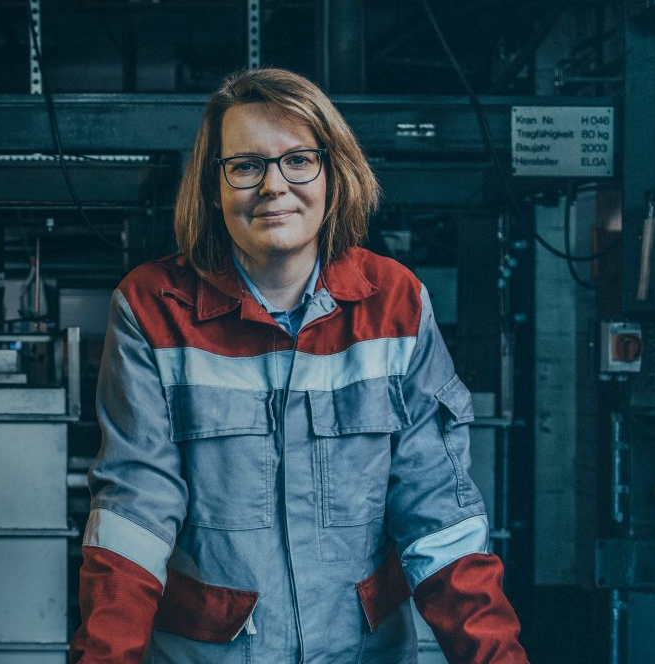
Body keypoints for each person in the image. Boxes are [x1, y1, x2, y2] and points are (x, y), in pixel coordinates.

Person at [69, 68, 529, 663]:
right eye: (246, 165)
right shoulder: (154, 308)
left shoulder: (395, 303)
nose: (273, 186)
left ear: (333, 174)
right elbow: (136, 515)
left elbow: (437, 514)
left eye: (298, 160)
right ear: (214, 187)